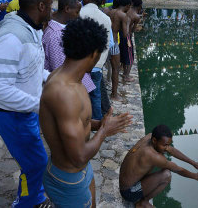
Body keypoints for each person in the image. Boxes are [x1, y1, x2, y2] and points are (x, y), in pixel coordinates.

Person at [40, 17, 133, 208]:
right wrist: (104, 131)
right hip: (69, 179)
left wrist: (100, 125)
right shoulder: (64, 93)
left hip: (81, 172)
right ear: (94, 54)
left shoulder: (71, 77)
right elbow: (79, 156)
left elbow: (77, 122)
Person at [0, 0, 53, 207]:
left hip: (25, 110)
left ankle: (33, 196)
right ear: (41, 6)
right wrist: (41, 105)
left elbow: (29, 66)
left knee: (33, 161)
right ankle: (25, 202)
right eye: (51, 5)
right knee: (35, 163)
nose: (53, 10)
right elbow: (0, 89)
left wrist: (49, 77)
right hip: (11, 114)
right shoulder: (11, 36)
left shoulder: (31, 28)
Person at [119, 125, 198, 208]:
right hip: (129, 192)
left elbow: (171, 150)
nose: (167, 147)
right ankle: (143, 203)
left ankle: (143, 200)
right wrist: (196, 176)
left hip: (128, 181)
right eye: (165, 145)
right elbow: (178, 169)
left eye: (168, 144)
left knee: (161, 152)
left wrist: (193, 163)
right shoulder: (152, 155)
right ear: (154, 140)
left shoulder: (150, 137)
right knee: (166, 175)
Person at [42, 0, 96, 94]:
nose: (78, 16)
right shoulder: (55, 34)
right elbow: (59, 68)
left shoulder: (63, 28)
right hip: (66, 91)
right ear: (67, 9)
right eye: (77, 12)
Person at [80, 0, 113, 120]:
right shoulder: (105, 18)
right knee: (95, 93)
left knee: (81, 93)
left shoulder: (80, 13)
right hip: (97, 63)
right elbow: (108, 43)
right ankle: (97, 120)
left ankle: (82, 120)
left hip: (81, 62)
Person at [108, 0, 130, 101]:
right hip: (114, 43)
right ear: (127, 6)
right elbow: (125, 34)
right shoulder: (123, 15)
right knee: (116, 69)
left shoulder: (110, 11)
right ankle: (114, 94)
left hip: (105, 40)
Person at [123, 0, 143, 82]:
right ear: (139, 6)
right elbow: (133, 29)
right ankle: (126, 76)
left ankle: (124, 73)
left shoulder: (128, 10)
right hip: (128, 36)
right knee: (131, 58)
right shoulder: (136, 17)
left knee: (124, 56)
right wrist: (139, 28)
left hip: (122, 34)